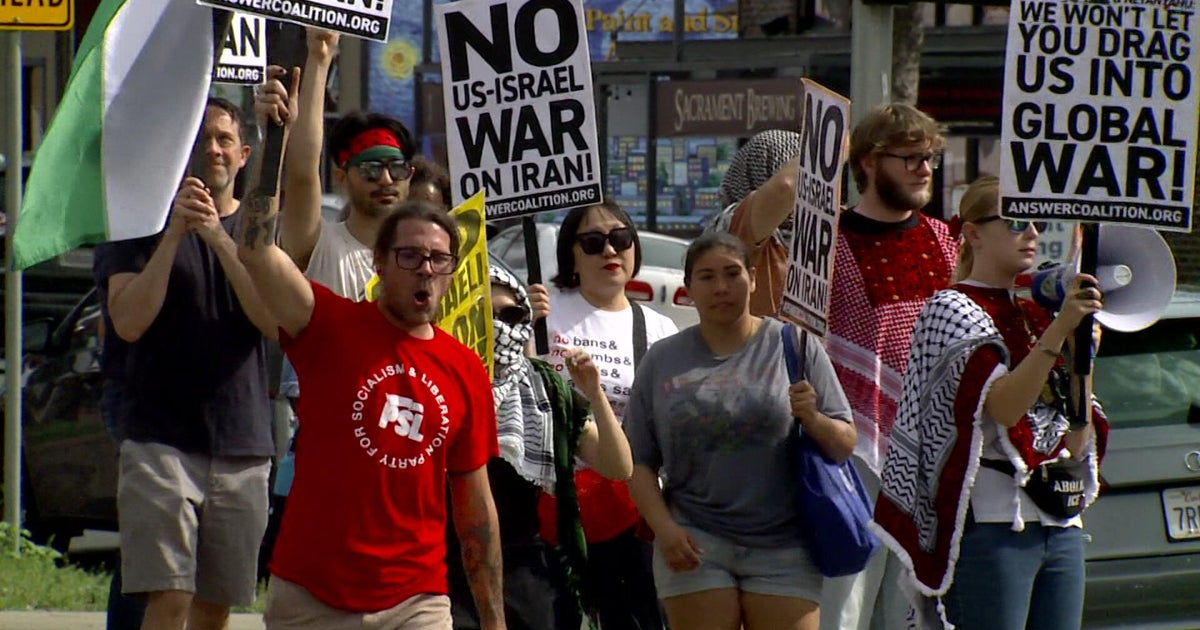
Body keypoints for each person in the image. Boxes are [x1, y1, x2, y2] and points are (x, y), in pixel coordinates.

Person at [241, 69, 505, 629]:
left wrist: (494, 619)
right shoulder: (325, 325)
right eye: (409, 256)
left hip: (417, 601)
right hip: (311, 595)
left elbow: (476, 508)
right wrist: (272, 141)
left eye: (438, 259)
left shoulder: (464, 369)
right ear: (379, 264)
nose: (425, 270)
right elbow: (257, 251)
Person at [712, 108, 959, 630]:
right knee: (843, 608)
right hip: (848, 454)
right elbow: (775, 204)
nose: (923, 169)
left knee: (915, 611)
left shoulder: (944, 239)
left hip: (932, 457)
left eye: (930, 158)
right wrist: (826, 146)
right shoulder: (820, 244)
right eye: (910, 157)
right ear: (868, 162)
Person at [872, 175, 1109, 629]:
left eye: (1037, 222)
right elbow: (1003, 409)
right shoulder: (950, 308)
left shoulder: (1037, 313)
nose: (1032, 233)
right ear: (973, 233)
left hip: (1059, 520)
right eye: (1016, 221)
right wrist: (1060, 330)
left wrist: (1081, 357)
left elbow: (1076, 438)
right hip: (993, 523)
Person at [92, 97, 279, 630]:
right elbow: (128, 322)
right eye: (199, 139)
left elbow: (273, 321)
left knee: (214, 607)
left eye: (224, 139)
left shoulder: (260, 231)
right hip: (160, 440)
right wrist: (174, 233)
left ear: (243, 155)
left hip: (242, 441)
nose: (212, 150)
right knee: (170, 595)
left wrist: (218, 238)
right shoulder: (139, 224)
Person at [624, 232, 855, 630]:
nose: (721, 287)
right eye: (707, 277)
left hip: (784, 546)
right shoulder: (662, 359)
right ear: (689, 287)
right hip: (693, 541)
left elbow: (844, 444)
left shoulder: (795, 346)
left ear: (752, 278)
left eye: (732, 274)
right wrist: (665, 530)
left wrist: (814, 418)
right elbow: (638, 460)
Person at [446, 261, 634, 629]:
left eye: (512, 315)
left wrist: (594, 393)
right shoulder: (437, 381)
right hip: (447, 568)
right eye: (487, 315)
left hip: (525, 576)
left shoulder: (542, 389)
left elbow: (618, 466)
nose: (501, 326)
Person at [530, 200, 677, 630]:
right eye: (593, 242)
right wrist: (522, 322)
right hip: (550, 510)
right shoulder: (545, 311)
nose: (610, 250)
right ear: (571, 255)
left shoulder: (659, 329)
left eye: (620, 238)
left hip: (629, 513)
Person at [279, 29, 414, 302]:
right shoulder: (320, 245)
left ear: (410, 175)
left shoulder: (427, 259)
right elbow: (302, 174)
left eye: (396, 168)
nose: (386, 179)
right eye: (370, 170)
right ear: (342, 177)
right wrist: (320, 59)